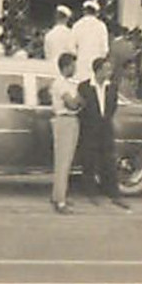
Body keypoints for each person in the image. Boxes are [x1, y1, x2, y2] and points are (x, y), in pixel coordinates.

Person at [77, 57, 130, 209]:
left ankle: (113, 193)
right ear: (98, 70)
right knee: (90, 162)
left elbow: (112, 107)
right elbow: (83, 108)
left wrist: (105, 120)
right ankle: (91, 193)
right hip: (89, 128)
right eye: (107, 69)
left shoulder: (112, 87)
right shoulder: (84, 87)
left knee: (109, 161)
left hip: (106, 128)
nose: (109, 72)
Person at [48, 52, 82, 215]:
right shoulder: (60, 84)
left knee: (66, 161)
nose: (75, 68)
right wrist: (80, 99)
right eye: (73, 65)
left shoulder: (68, 83)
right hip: (64, 120)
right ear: (66, 66)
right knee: (63, 162)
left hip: (71, 120)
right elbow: (72, 104)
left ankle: (58, 194)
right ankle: (60, 201)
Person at [71, 0, 109, 82]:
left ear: (84, 11)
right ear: (96, 13)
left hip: (80, 65)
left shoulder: (77, 25)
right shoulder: (101, 26)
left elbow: (72, 48)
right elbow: (105, 50)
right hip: (96, 67)